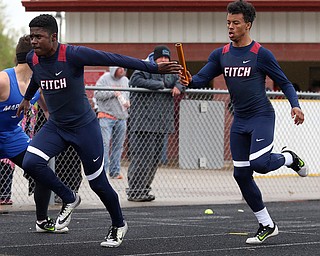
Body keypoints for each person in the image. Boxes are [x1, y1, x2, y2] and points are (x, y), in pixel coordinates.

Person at [16, 14, 182, 248]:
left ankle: (118, 224)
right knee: (31, 162)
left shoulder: (72, 54)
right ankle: (70, 196)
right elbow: (37, 77)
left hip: (84, 127)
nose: (33, 41)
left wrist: (153, 67)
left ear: (53, 38)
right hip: (57, 126)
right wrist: (26, 99)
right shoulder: (34, 58)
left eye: (39, 37)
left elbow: (114, 57)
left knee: (98, 183)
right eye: (31, 36)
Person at [179, 0, 308, 244]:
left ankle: (289, 157)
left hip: (261, 117)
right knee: (241, 175)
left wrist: (296, 105)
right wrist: (188, 79)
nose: (230, 27)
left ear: (247, 25)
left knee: (259, 163)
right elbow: (200, 79)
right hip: (239, 121)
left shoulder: (260, 54)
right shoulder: (222, 54)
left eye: (235, 23)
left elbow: (287, 82)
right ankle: (267, 224)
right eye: (228, 22)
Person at [0, 35, 68, 233]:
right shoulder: (4, 80)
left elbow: (49, 112)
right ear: (33, 56)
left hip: (13, 136)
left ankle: (41, 220)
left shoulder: (37, 82)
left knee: (41, 168)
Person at [126, 45, 185, 202]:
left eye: (167, 58)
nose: (164, 60)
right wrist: (161, 86)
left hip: (161, 124)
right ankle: (135, 191)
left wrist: (178, 86)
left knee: (154, 159)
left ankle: (144, 189)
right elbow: (135, 80)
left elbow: (184, 79)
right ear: (155, 58)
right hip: (143, 124)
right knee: (141, 159)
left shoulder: (171, 72)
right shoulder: (144, 68)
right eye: (161, 58)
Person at [94, 67, 130, 180]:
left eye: (124, 69)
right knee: (104, 145)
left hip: (121, 117)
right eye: (120, 68)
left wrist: (128, 102)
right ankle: (103, 172)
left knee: (118, 146)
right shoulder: (105, 78)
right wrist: (113, 93)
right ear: (114, 69)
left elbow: (128, 95)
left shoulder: (125, 81)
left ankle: (115, 171)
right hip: (106, 116)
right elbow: (97, 94)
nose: (122, 70)